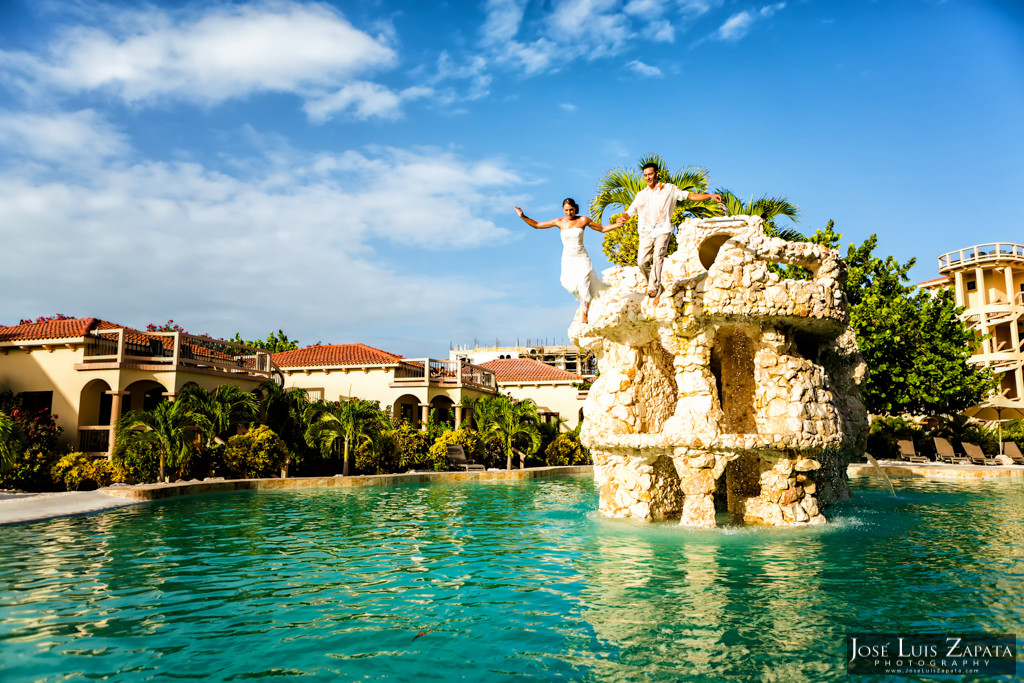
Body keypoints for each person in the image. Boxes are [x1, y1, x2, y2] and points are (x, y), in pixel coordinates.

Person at [616, 162, 722, 300]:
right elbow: (630, 212)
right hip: (645, 232)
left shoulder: (669, 189)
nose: (648, 177)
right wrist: (622, 218)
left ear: (657, 174)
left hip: (663, 229)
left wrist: (709, 196)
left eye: (650, 174)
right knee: (641, 262)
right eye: (645, 175)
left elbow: (689, 195)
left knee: (657, 257)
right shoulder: (641, 195)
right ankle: (655, 284)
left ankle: (654, 286)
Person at [514, 198, 617, 324]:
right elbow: (537, 225)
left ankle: (584, 314)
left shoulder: (583, 220)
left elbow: (601, 229)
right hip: (568, 259)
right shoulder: (559, 222)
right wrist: (522, 216)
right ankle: (585, 301)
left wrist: (617, 225)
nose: (569, 213)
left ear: (575, 209)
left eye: (571, 210)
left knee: (584, 281)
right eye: (566, 210)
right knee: (570, 285)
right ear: (563, 210)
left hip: (582, 257)